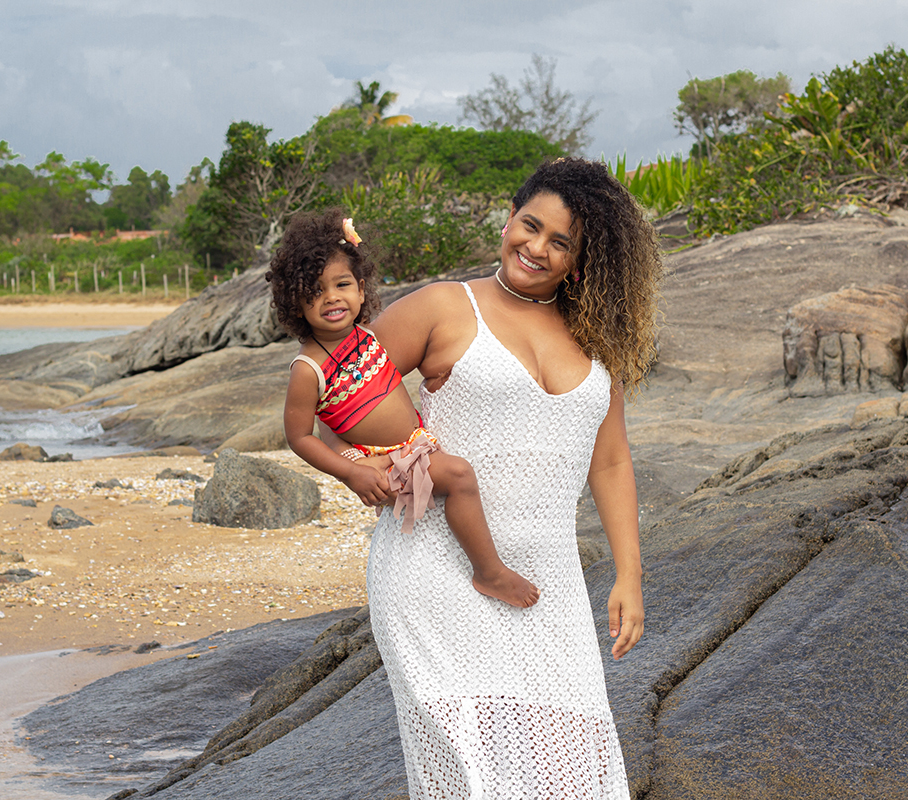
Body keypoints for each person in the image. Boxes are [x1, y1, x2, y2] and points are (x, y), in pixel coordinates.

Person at [345, 157, 661, 799]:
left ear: (583, 258)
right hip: (434, 566)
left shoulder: (597, 338)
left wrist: (628, 574)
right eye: (529, 224)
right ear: (509, 217)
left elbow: (611, 460)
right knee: (474, 770)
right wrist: (362, 470)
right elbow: (332, 390)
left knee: (575, 771)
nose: (536, 247)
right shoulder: (444, 306)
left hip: (550, 583)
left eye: (561, 242)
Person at [270, 209, 540, 609]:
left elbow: (383, 387)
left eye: (342, 284)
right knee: (460, 475)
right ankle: (490, 572)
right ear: (296, 305)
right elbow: (300, 436)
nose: (331, 298)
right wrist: (352, 471)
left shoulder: (368, 337)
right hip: (383, 464)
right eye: (315, 292)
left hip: (414, 445)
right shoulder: (308, 369)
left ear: (361, 290)